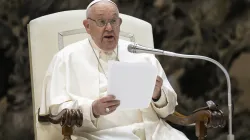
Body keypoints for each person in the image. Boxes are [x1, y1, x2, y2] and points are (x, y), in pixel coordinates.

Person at [39, 0, 189, 139]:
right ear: (87, 26)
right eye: (101, 22)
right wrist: (92, 109)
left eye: (113, 21)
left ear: (119, 23)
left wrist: (158, 95)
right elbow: (56, 110)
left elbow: (168, 110)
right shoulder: (65, 58)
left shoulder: (142, 55)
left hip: (153, 132)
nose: (109, 28)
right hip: (98, 135)